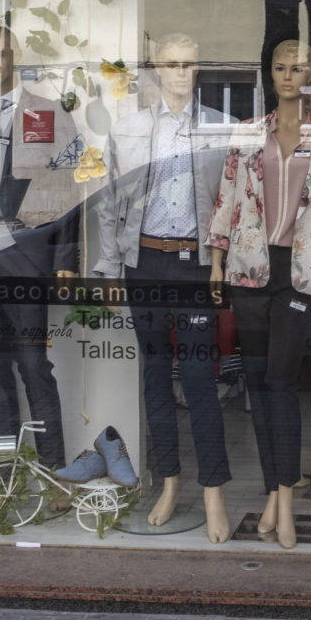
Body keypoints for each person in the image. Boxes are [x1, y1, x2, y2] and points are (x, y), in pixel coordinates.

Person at [92, 33, 234, 540]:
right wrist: (110, 270)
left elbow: (230, 205)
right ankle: (171, 483)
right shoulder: (128, 130)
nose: (180, 72)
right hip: (145, 263)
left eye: (189, 64)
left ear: (199, 69)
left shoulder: (222, 129)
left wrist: (223, 265)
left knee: (198, 378)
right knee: (154, 376)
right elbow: (109, 203)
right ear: (156, 69)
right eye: (171, 64)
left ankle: (214, 491)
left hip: (195, 266)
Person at [209, 40, 311, 549]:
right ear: (270, 74)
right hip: (248, 269)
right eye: (281, 69)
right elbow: (228, 198)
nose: (289, 77)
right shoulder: (246, 135)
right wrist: (218, 262)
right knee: (259, 384)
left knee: (284, 383)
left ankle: (285, 498)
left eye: (299, 69)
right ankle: (272, 493)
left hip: (300, 271)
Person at [0, 25, 87, 473]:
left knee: (32, 365)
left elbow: (69, 191)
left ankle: (52, 469)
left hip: (27, 256)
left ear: (16, 54)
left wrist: (66, 261)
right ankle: (6, 475)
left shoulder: (49, 114)